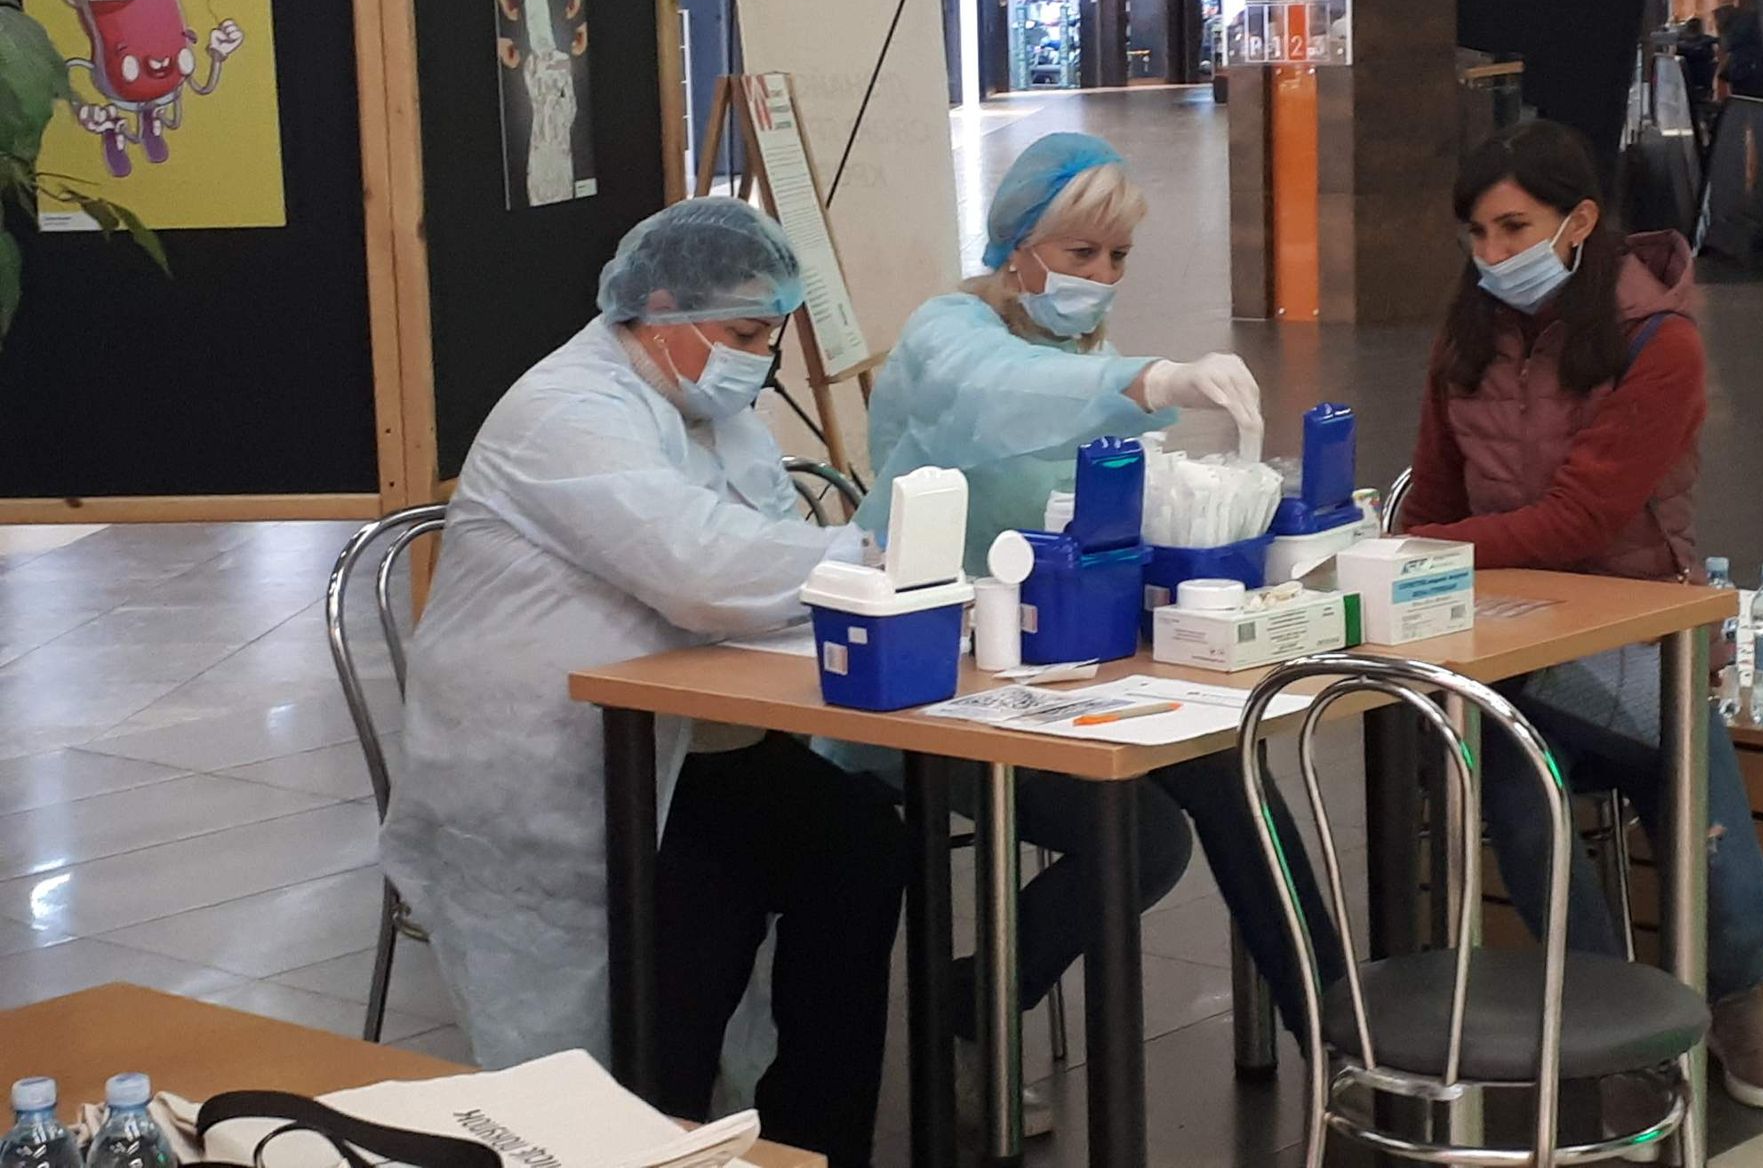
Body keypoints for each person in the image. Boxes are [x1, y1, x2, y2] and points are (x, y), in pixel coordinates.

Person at [381, 199, 905, 1168]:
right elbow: (701, 569)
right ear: (659, 310)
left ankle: (811, 1144)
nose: (761, 361)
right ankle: (658, 1136)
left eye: (771, 336)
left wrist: (848, 573)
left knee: (858, 841)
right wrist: (872, 557)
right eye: (744, 335)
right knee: (699, 900)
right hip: (545, 764)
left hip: (680, 737)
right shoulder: (568, 411)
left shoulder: (714, 415)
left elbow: (759, 549)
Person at [850, 131, 1343, 1134]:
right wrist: (1153, 381)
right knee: (1142, 837)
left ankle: (1340, 1044)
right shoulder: (948, 334)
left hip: (1070, 666)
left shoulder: (1086, 358)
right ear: (1015, 247)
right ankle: (974, 1002)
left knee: (1233, 773)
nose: (1101, 277)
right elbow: (994, 395)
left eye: (1117, 257)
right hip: (929, 680)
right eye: (1080, 253)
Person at [1400, 119, 1763, 1126]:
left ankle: (1736, 995)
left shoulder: (1657, 341)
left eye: (1513, 228)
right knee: (1513, 787)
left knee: (1710, 841)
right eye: (1476, 233)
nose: (1492, 254)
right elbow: (1430, 500)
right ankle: (1603, 1015)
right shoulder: (1463, 339)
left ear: (1578, 221)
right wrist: (1419, 548)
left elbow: (1582, 518)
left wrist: (1425, 551)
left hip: (1638, 636)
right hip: (1505, 647)